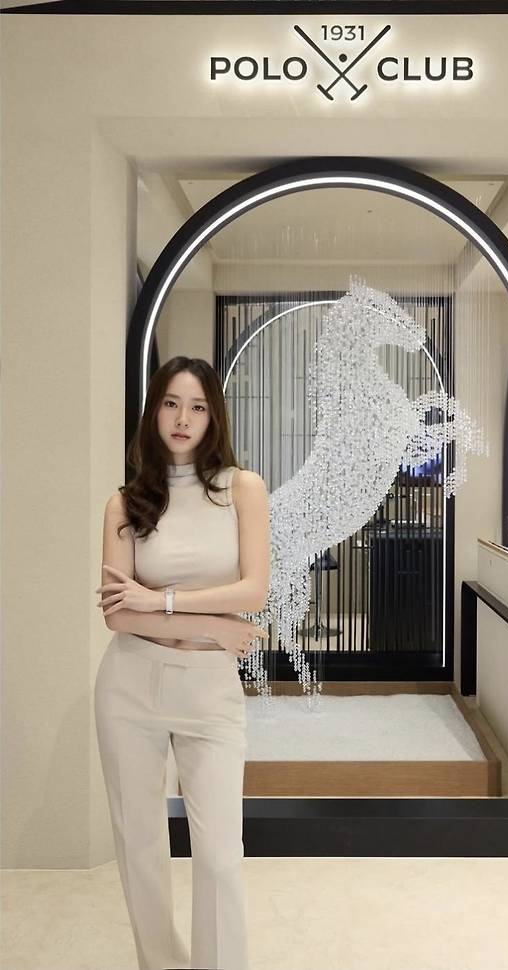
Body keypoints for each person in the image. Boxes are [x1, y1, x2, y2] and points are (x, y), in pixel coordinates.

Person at [93, 356, 270, 970]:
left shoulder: (242, 490)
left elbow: (254, 592)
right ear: (154, 411)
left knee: (219, 855)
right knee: (140, 849)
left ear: (213, 416)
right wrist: (217, 626)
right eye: (171, 403)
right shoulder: (124, 504)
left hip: (208, 689)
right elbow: (118, 617)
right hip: (130, 682)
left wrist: (159, 601)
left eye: (197, 406)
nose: (183, 418)